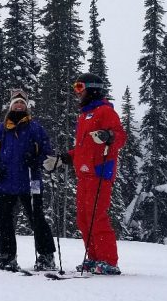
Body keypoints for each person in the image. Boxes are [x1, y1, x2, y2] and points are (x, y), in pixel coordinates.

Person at [43, 72, 127, 275]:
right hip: (84, 174)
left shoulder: (105, 111)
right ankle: (94, 258)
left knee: (97, 216)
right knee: (83, 217)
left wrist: (109, 136)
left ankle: (108, 261)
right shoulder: (84, 115)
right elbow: (83, 148)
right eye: (76, 88)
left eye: (80, 88)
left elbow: (121, 137)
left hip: (100, 173)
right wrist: (63, 158)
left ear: (92, 89)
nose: (77, 93)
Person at [0, 89, 57, 271]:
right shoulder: (1, 129)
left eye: (22, 103)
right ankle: (7, 256)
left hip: (30, 180)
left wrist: (37, 159)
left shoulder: (35, 128)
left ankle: (46, 256)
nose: (19, 106)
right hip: (6, 181)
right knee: (3, 220)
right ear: (10, 106)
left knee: (37, 219)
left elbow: (47, 152)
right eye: (16, 103)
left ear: (27, 107)